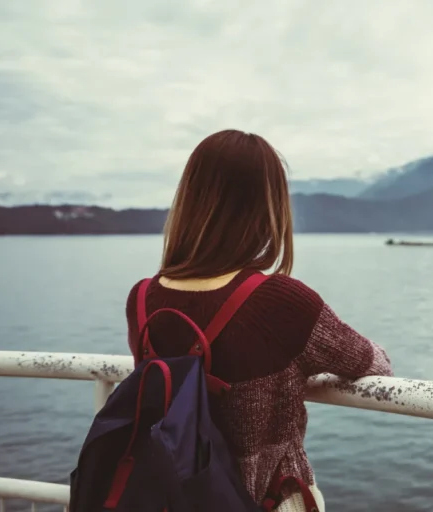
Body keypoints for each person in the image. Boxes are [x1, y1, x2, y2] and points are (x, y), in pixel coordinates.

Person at [124, 129, 393, 511]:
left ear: (188, 200)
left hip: (170, 498)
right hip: (267, 499)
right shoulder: (280, 301)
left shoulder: (142, 299)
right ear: (268, 208)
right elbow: (373, 364)